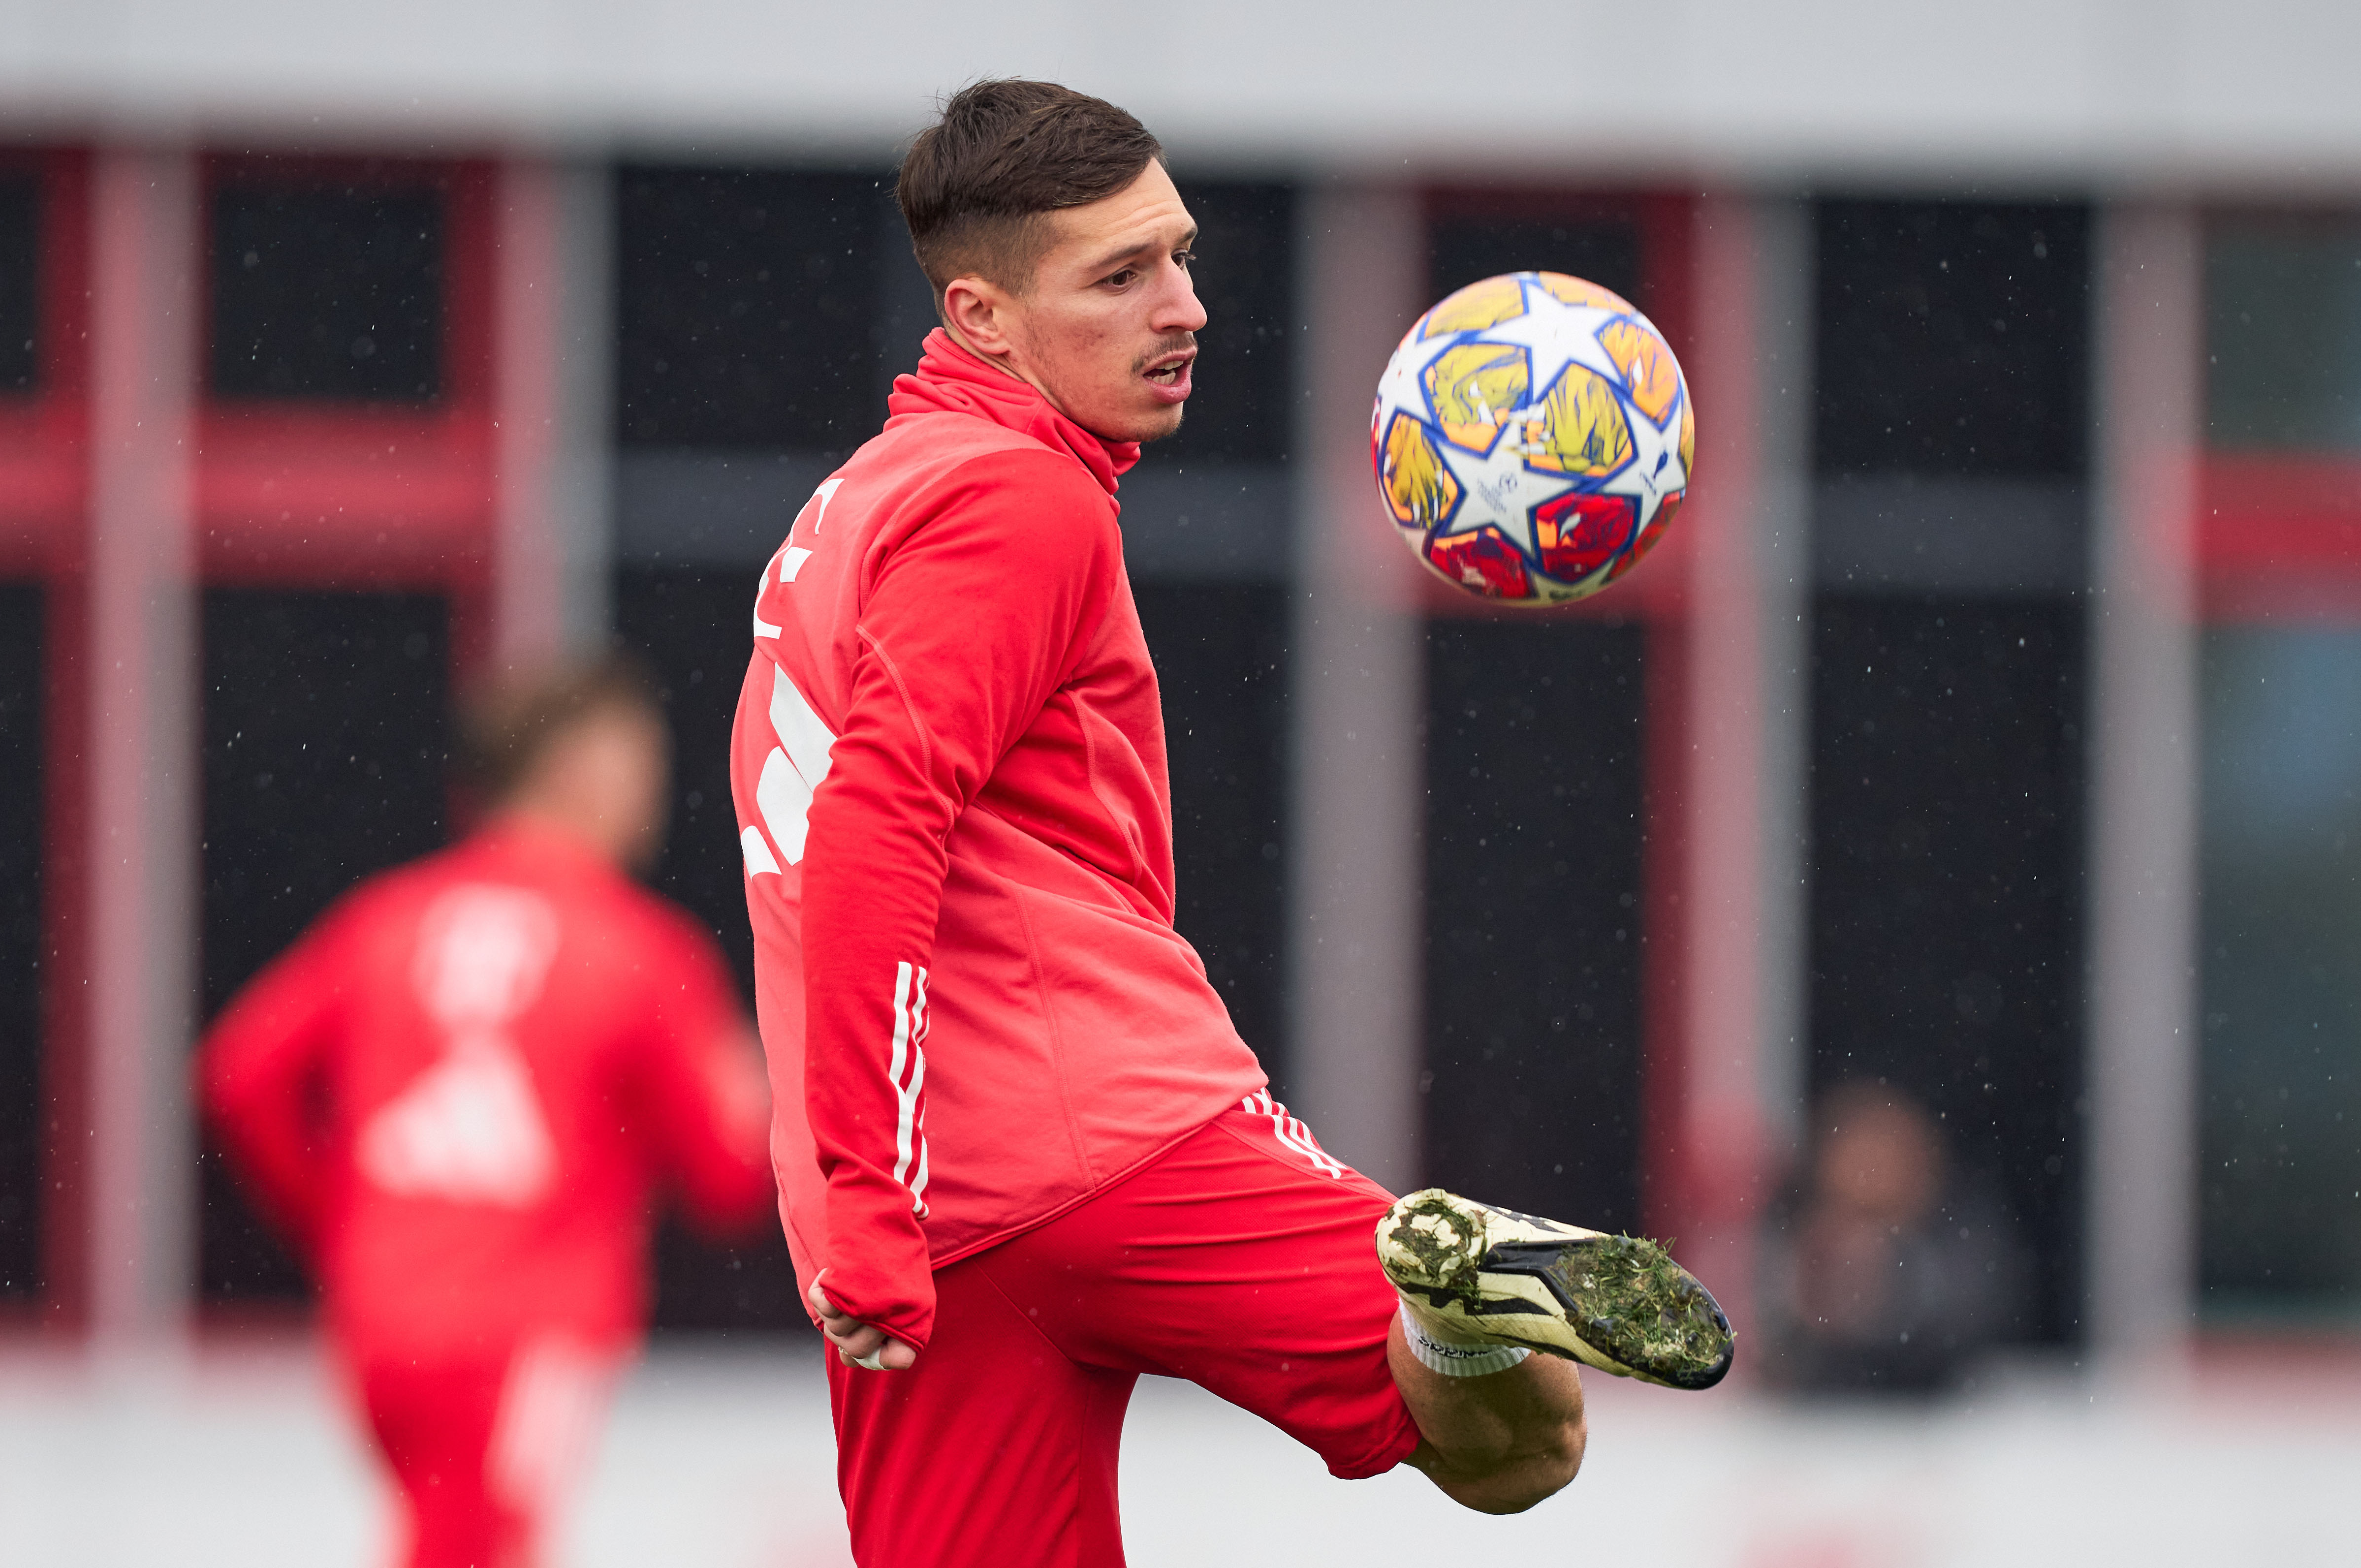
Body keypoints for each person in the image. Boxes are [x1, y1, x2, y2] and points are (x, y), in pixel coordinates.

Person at [728, 80, 1733, 1567]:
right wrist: (869, 1190)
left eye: (1181, 256)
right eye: (1120, 275)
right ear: (982, 314)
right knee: (1524, 1447)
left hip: (940, 1219)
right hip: (1104, 1139)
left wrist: (869, 1196)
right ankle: (1451, 1319)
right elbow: (875, 823)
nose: (1183, 306)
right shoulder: (1020, 500)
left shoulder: (865, 499)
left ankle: (1446, 1309)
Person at [199, 655, 772, 1568]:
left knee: (451, 1541)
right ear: (585, 766)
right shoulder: (640, 949)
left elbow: (238, 1074)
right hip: (525, 1323)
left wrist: (340, 1221)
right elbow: (731, 1178)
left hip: (382, 1319)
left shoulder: (386, 920)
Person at [1761, 1078, 2027, 1395]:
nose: (1868, 1173)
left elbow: (1977, 1319)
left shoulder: (1966, 1252)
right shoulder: (1783, 1233)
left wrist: (1891, 1284)